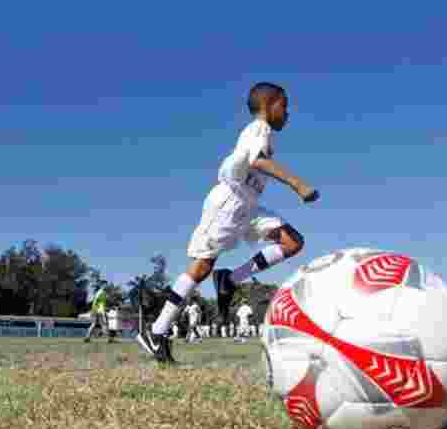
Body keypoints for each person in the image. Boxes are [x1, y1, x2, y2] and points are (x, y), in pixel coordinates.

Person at [136, 83, 318, 364]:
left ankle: (230, 280)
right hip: (228, 203)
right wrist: (297, 184)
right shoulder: (258, 129)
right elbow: (256, 161)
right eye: (284, 105)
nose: (288, 112)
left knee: (292, 242)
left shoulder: (266, 133)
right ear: (269, 105)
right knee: (201, 267)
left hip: (248, 206)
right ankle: (157, 331)